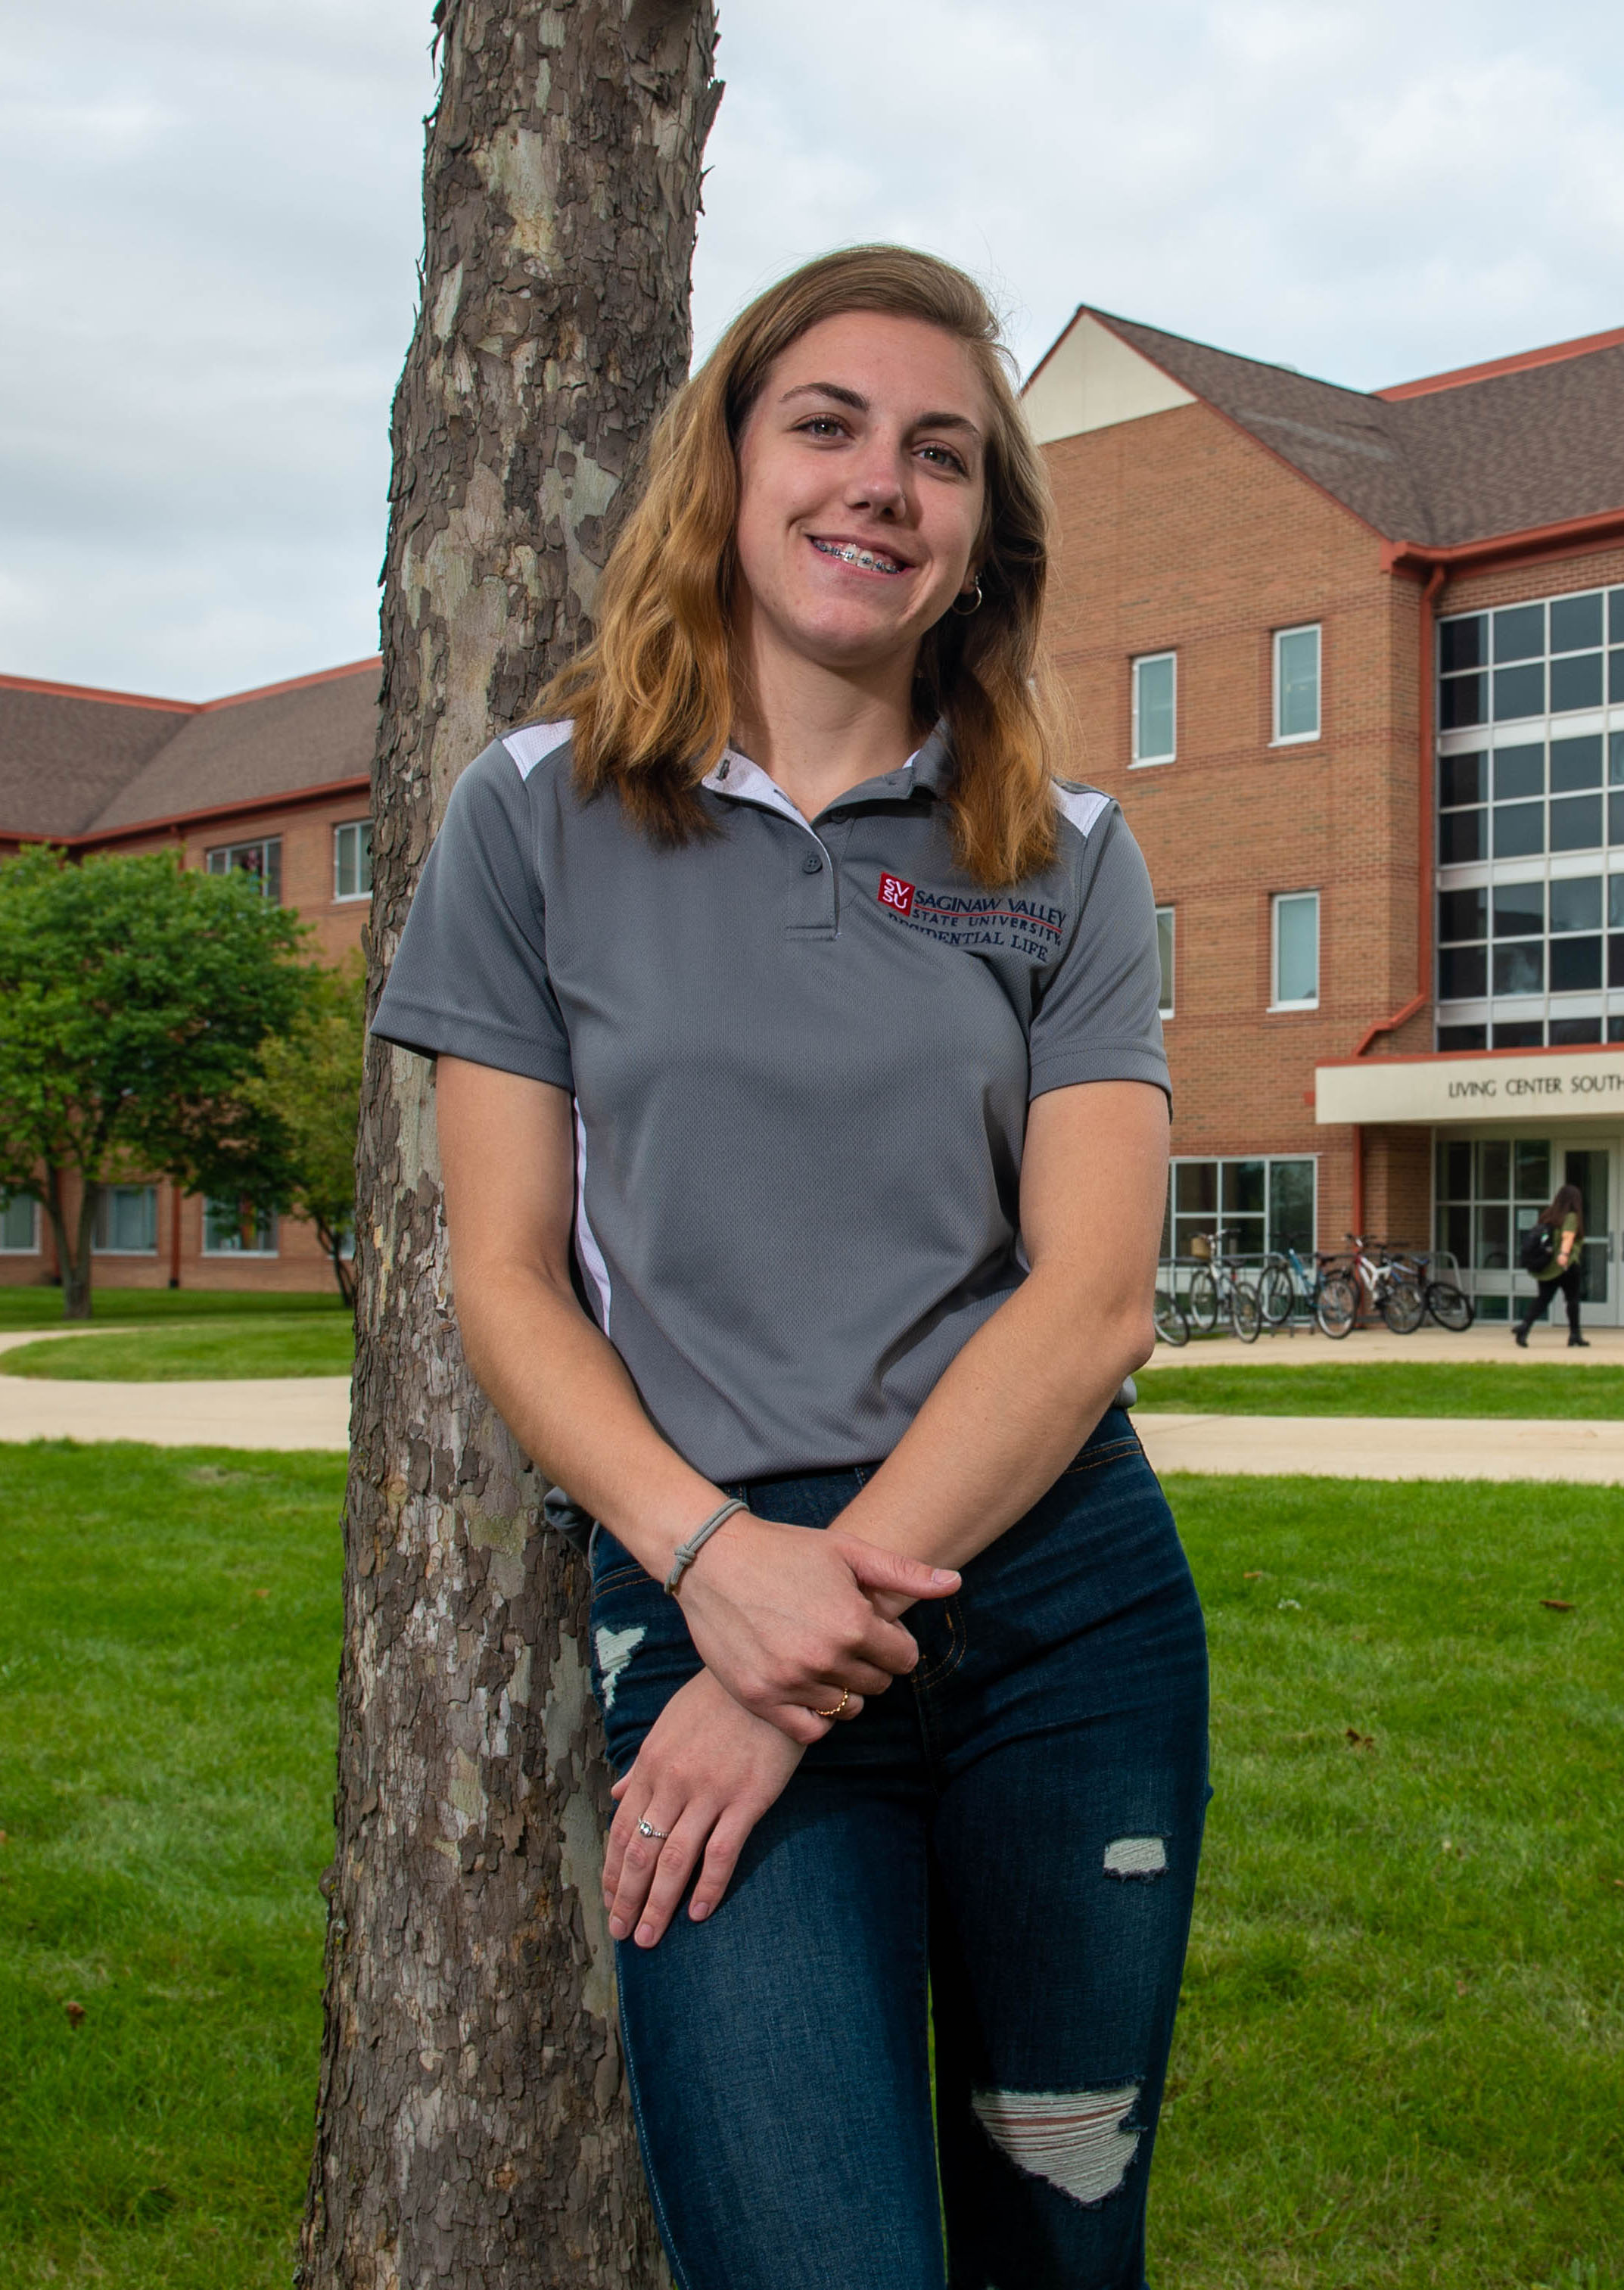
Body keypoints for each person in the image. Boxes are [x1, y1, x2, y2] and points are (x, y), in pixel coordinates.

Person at [368, 245, 1199, 2290]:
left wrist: (806, 1629)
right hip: (704, 1571)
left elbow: (1089, 1300)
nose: (878, 483)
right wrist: (719, 1574)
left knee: (1058, 2259)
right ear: (728, 471)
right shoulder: (534, 817)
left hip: (1055, 1617)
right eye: (825, 424)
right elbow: (507, 1284)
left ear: (983, 527)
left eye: (940, 452)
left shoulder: (1067, 854)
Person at [1514, 1182, 1589, 1348]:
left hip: (1547, 1265)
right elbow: (1568, 1237)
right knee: (1573, 1299)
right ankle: (1575, 1334)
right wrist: (1564, 1255)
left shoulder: (1548, 1215)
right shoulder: (1571, 1216)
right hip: (1566, 1265)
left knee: (1543, 1298)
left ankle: (1524, 1327)